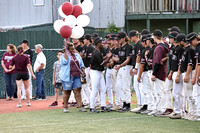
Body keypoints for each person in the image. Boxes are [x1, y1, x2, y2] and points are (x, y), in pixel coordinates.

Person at [60, 42, 87, 113]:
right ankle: (65, 107)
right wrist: (66, 51)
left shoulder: (77, 56)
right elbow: (65, 62)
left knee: (78, 90)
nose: (73, 50)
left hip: (77, 76)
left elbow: (81, 64)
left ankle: (80, 106)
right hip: (67, 77)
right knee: (67, 91)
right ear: (67, 50)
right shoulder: (63, 56)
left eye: (73, 49)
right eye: (71, 49)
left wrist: (83, 71)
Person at [89, 37, 112, 113]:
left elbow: (101, 60)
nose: (102, 43)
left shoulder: (97, 51)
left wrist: (106, 57)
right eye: (101, 42)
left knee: (103, 89)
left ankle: (103, 106)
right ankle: (91, 107)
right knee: (94, 90)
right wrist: (109, 58)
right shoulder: (96, 52)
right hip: (95, 72)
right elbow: (102, 64)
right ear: (98, 43)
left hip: (99, 72)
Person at [150, 29, 169, 116]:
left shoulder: (159, 47)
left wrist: (154, 74)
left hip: (159, 72)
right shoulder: (164, 45)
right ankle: (158, 108)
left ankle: (161, 109)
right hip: (162, 70)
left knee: (159, 91)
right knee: (159, 91)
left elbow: (157, 62)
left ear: (155, 37)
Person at [113, 31, 132, 112]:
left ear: (124, 38)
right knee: (118, 86)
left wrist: (120, 65)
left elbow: (128, 59)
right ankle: (123, 102)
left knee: (126, 86)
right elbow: (119, 59)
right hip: (121, 67)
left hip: (126, 67)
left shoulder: (128, 46)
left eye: (119, 38)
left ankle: (127, 104)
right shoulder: (120, 47)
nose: (118, 40)